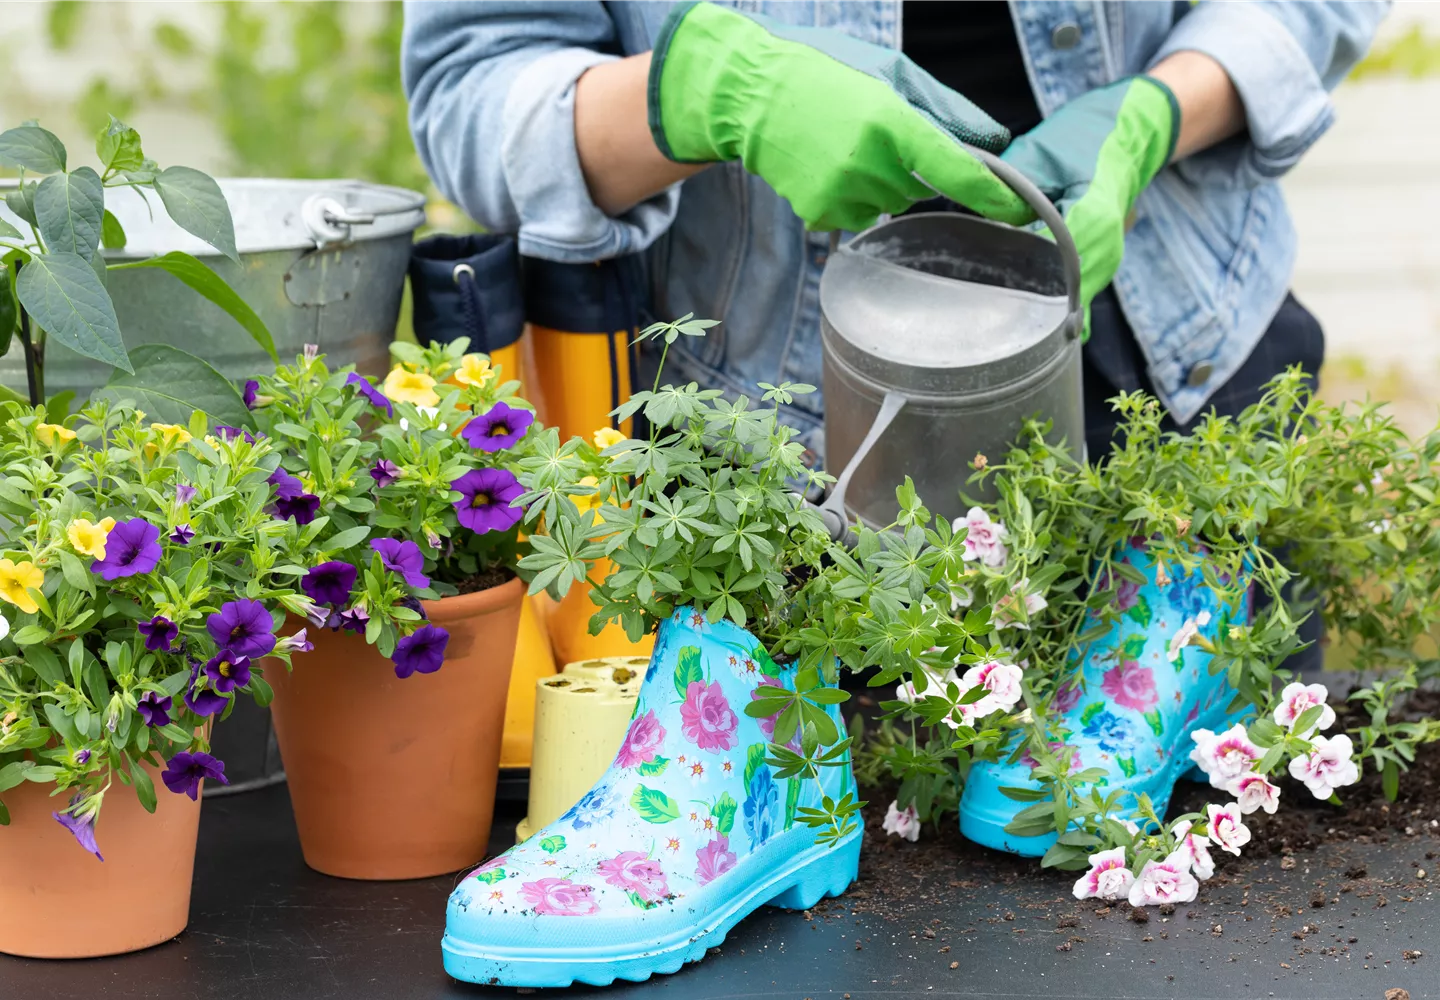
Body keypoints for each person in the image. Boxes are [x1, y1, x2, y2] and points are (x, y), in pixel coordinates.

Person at [403, 0, 1387, 672]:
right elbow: (470, 89)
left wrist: (1165, 109)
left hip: (1177, 380)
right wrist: (698, 97)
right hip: (770, 472)